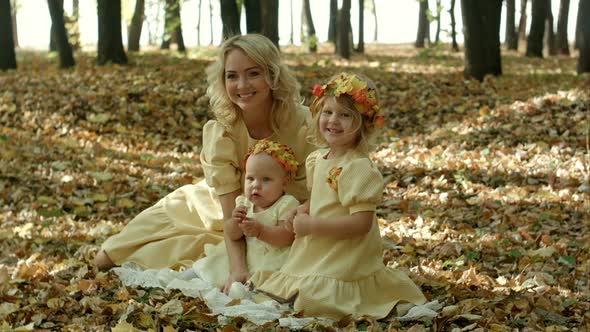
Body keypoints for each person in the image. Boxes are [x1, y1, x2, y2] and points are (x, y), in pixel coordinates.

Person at [94, 34, 316, 292]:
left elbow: (331, 182)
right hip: (217, 207)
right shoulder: (222, 131)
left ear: (273, 75)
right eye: (232, 76)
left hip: (283, 218)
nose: (242, 85)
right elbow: (231, 214)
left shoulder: (305, 124)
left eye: (253, 73)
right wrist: (237, 269)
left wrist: (303, 210)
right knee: (105, 259)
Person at [251, 73, 426, 319]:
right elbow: (323, 198)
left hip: (345, 254)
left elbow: (361, 224)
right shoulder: (317, 159)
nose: (334, 120)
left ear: (363, 124)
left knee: (317, 298)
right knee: (290, 286)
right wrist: (302, 209)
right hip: (318, 247)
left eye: (345, 115)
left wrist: (312, 226)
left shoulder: (358, 167)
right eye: (328, 112)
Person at [188, 139, 299, 289]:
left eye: (266, 180)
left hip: (271, 258)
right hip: (246, 256)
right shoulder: (244, 203)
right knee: (214, 265)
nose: (256, 185)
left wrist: (261, 231)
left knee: (264, 284)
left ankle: (242, 293)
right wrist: (235, 222)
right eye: (250, 178)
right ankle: (192, 277)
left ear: (284, 183)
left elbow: (286, 237)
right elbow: (232, 234)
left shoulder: (286, 204)